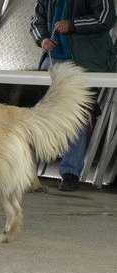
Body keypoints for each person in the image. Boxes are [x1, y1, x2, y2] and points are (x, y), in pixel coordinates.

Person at [30, 0, 116, 191]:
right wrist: (42, 39)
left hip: (86, 60)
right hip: (54, 60)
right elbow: (36, 21)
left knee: (78, 114)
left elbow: (105, 17)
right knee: (41, 114)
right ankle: (28, 172)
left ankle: (70, 173)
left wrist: (72, 25)